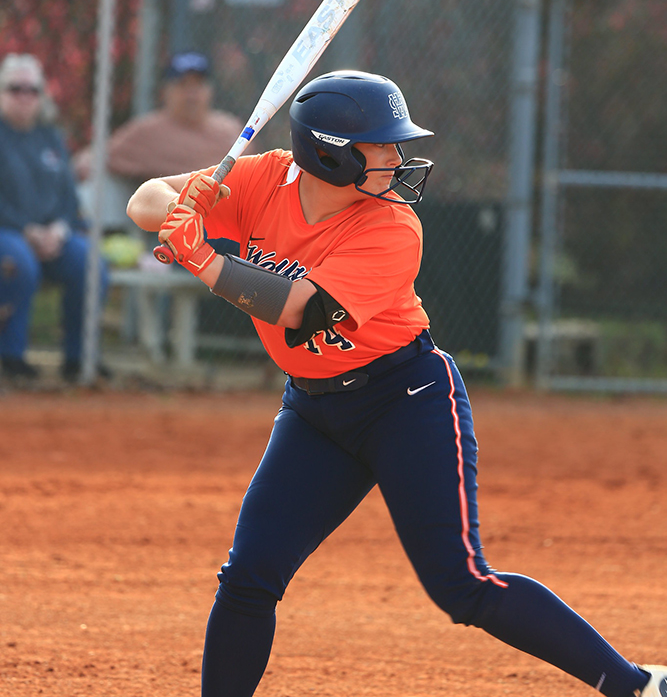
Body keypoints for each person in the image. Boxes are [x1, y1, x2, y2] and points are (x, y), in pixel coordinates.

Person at [127, 70, 666, 697]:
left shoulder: (391, 225)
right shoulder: (263, 176)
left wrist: (203, 257)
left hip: (405, 400)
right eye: (380, 145)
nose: (397, 156)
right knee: (249, 574)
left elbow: (300, 310)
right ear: (328, 151)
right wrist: (184, 209)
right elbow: (145, 199)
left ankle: (636, 687)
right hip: (313, 411)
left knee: (461, 585)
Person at [0, 53, 109, 383]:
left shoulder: (51, 137)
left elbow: (68, 198)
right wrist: (29, 231)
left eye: (31, 90)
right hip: (8, 233)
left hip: (52, 235)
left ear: (41, 95)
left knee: (90, 264)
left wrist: (60, 231)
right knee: (19, 263)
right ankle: (11, 357)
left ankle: (79, 358)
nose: (24, 97)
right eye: (14, 89)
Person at [74, 51, 246, 186]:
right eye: (182, 85)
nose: (191, 94)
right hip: (172, 219)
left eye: (198, 85)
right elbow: (92, 159)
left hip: (228, 215)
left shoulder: (229, 131)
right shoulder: (147, 132)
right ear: (166, 92)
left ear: (210, 90)